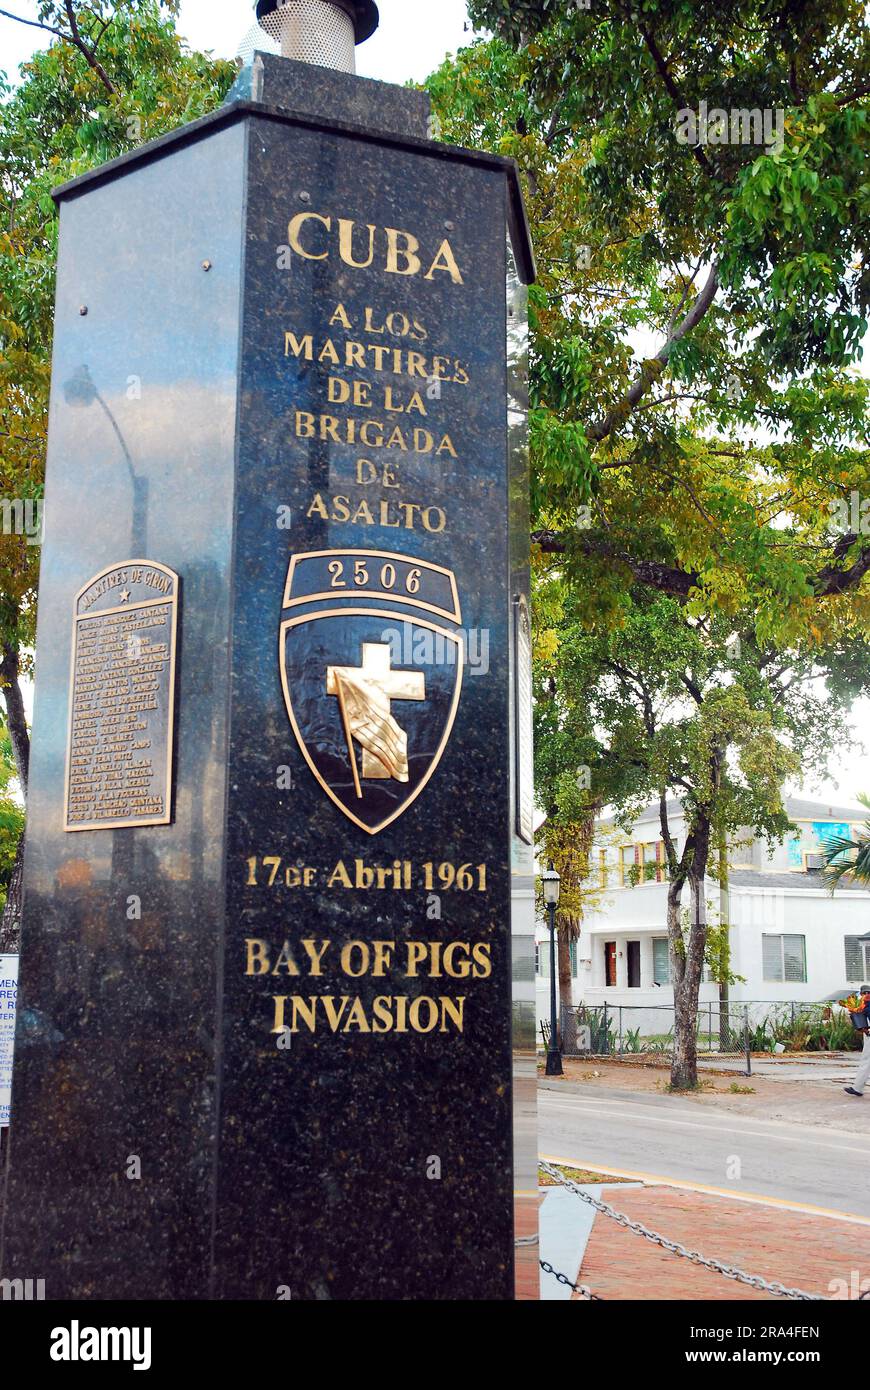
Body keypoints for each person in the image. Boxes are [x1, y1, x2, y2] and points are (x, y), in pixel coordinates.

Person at [845, 986, 870, 1096]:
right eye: (864, 993)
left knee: (866, 1061)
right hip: (867, 1032)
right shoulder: (862, 1005)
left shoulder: (865, 1005)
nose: (865, 995)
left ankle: (858, 1087)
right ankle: (858, 1087)